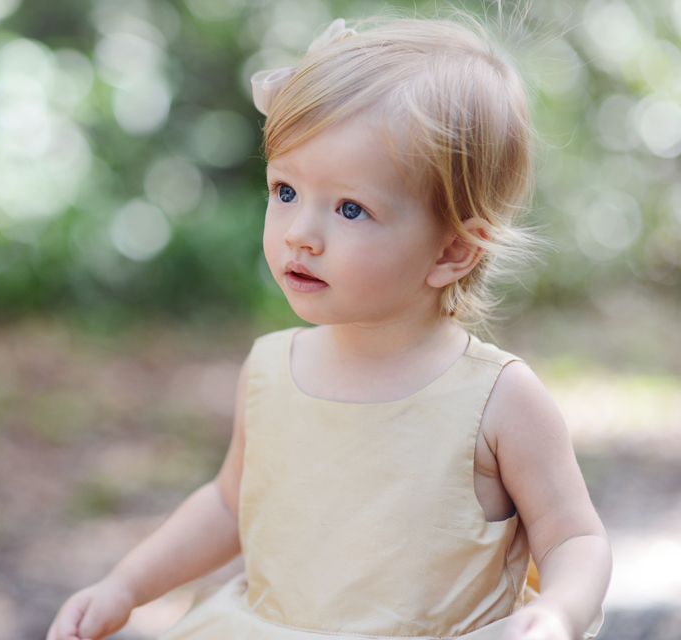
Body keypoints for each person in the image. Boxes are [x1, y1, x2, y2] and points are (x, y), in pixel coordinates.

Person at [47, 15, 611, 640]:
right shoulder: (269, 369)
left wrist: (556, 612)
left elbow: (574, 536)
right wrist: (124, 586)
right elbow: (230, 504)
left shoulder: (499, 400)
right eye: (284, 190)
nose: (299, 233)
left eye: (349, 208)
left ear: (451, 251)